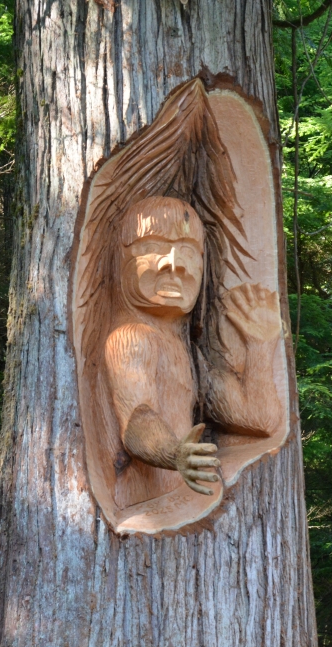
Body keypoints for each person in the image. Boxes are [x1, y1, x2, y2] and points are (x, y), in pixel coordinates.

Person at [104, 196, 283, 496]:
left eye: (188, 251)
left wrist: (260, 345)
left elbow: (260, 420)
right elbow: (137, 420)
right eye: (152, 247)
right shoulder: (133, 337)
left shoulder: (187, 351)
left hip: (184, 499)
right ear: (121, 261)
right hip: (149, 505)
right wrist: (174, 453)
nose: (173, 266)